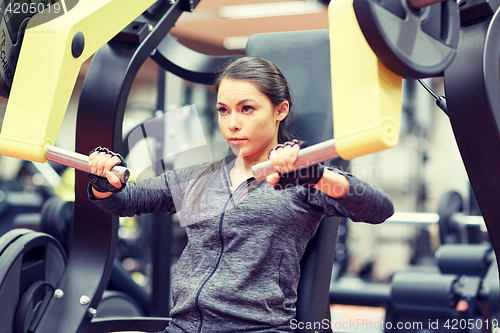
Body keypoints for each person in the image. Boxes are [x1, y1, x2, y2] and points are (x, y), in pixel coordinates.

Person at [87, 56, 394, 333]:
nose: (232, 123)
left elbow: (379, 208)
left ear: (280, 110)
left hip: (256, 328)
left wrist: (316, 174)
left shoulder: (303, 180)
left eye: (247, 109)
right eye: (224, 110)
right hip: (182, 326)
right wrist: (105, 182)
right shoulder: (199, 177)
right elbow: (125, 200)